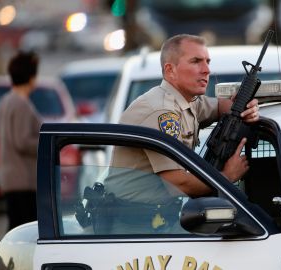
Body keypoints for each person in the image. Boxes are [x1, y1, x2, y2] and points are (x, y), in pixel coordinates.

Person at [102, 34, 259, 234]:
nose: (206, 70)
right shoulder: (162, 110)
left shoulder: (187, 101)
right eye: (196, 61)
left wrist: (248, 108)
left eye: (207, 62)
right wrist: (226, 177)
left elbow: (221, 107)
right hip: (134, 226)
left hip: (157, 219)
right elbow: (178, 182)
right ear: (170, 70)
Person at [0, 51, 42, 231]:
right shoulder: (21, 104)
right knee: (25, 233)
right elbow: (22, 141)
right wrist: (46, 145)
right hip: (23, 179)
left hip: (9, 178)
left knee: (14, 231)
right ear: (31, 76)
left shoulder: (5, 101)